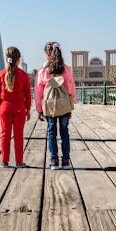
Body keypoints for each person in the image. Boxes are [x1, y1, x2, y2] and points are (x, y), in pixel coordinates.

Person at [35, 41, 76, 170]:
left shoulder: (43, 71)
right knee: (65, 132)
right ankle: (65, 161)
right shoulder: (66, 69)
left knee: (51, 132)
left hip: (50, 105)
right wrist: (71, 104)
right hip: (64, 105)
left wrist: (39, 109)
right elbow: (70, 88)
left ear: (47, 54)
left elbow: (38, 91)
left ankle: (53, 161)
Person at [0, 46, 31, 167]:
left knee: (5, 134)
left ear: (7, 59)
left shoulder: (0, 75)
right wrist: (28, 109)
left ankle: (4, 161)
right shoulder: (24, 75)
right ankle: (19, 161)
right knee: (18, 135)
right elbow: (27, 94)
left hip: (5, 107)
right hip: (19, 108)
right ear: (18, 60)